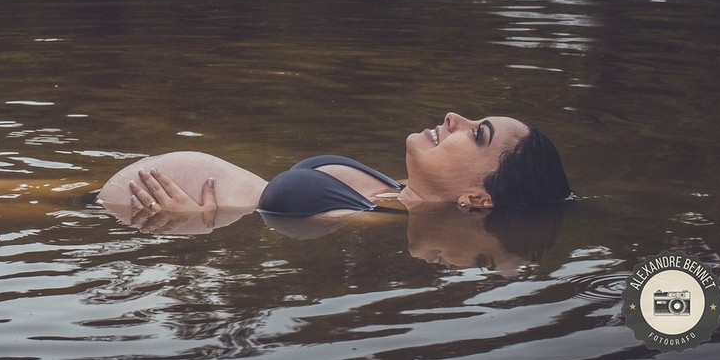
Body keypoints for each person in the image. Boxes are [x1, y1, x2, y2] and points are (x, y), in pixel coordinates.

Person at [96, 112, 571, 233]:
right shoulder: (393, 192)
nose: (454, 119)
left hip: (112, 220)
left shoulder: (369, 221)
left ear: (477, 198)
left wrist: (197, 219)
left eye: (477, 133)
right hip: (83, 198)